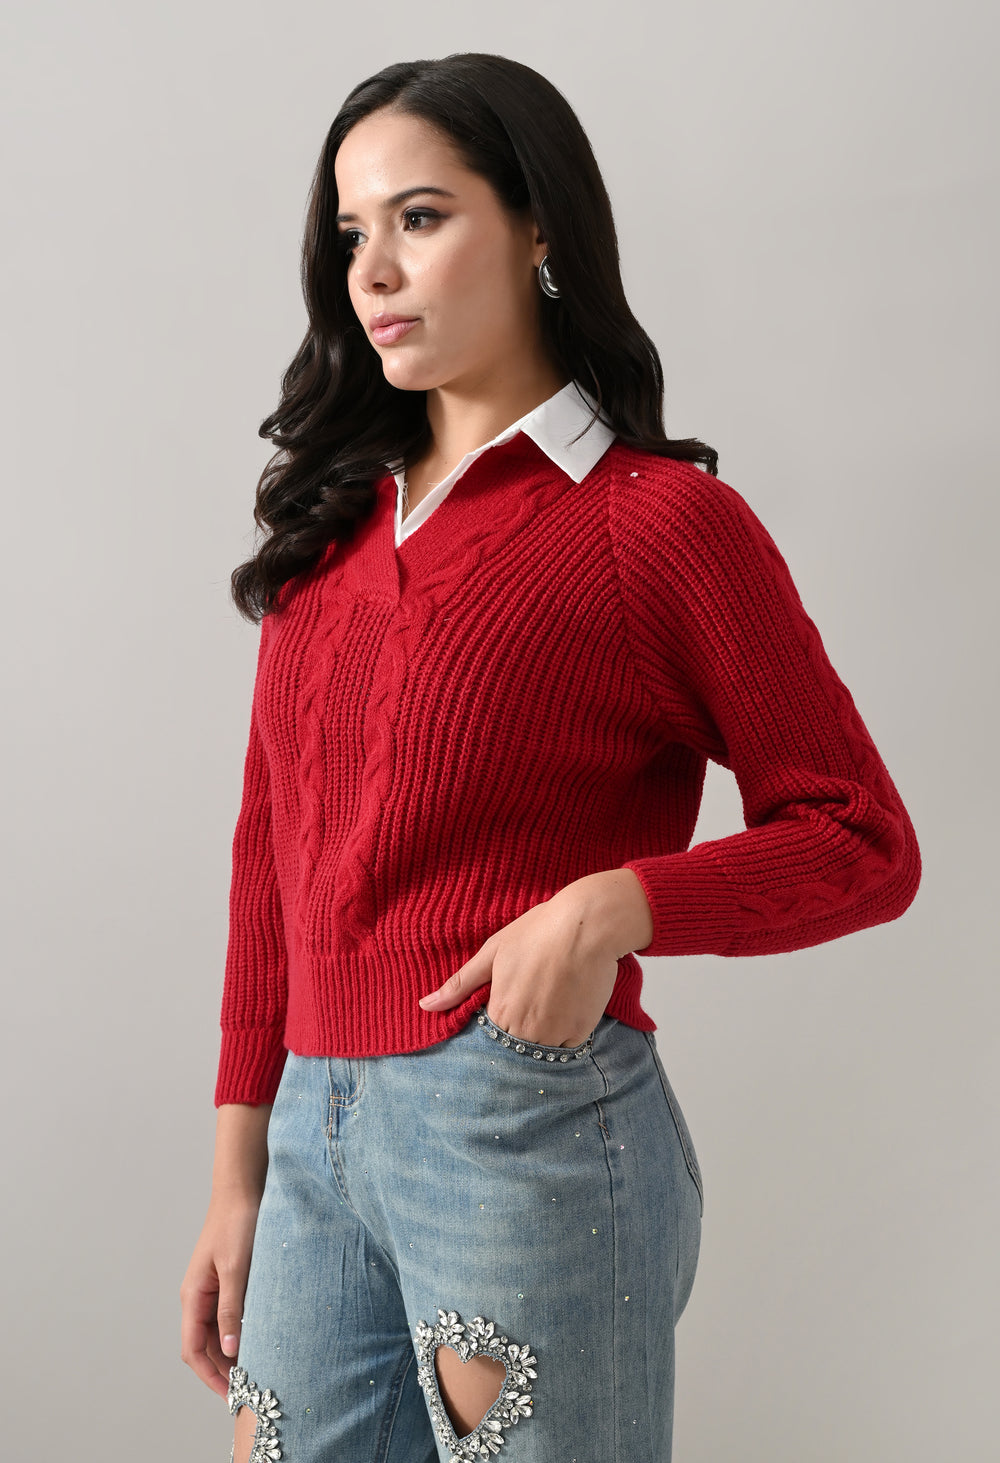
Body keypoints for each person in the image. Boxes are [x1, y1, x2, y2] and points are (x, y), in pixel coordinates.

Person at [179, 52, 921, 1463]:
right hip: (311, 1143)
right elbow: (268, 867)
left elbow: (862, 838)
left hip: (516, 1128)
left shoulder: (657, 528)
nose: (373, 271)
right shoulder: (329, 542)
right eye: (352, 232)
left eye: (420, 218)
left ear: (537, 228)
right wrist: (237, 1174)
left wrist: (615, 907)